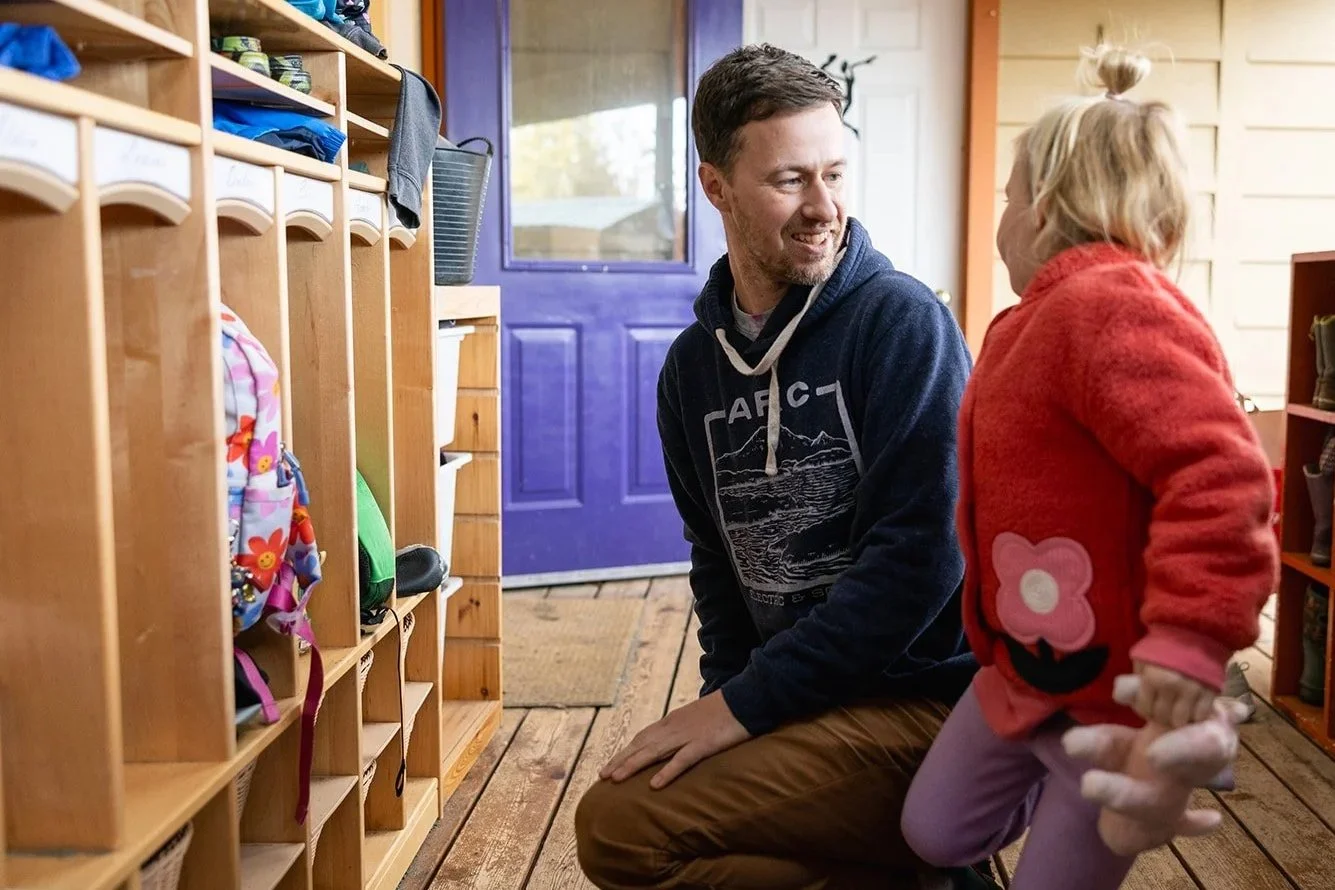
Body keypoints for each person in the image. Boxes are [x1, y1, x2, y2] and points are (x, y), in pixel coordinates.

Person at [575, 42, 1246, 890]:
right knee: (636, 818)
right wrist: (728, 707)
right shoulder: (690, 371)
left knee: (619, 831)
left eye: (834, 174)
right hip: (810, 699)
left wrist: (747, 709)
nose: (823, 206)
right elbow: (719, 568)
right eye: (789, 180)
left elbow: (921, 563)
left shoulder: (902, 325)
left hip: (925, 700)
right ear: (716, 186)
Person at [899, 44, 1279, 890]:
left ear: (1043, 209)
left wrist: (1188, 641)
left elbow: (1221, 477)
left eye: (1007, 199)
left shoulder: (1110, 309)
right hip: (1023, 673)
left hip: (1116, 701)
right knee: (932, 830)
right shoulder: (1033, 320)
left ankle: (1117, 789)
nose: (1000, 221)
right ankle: (1041, 785)